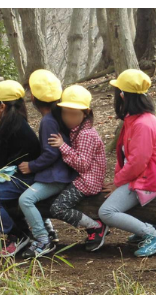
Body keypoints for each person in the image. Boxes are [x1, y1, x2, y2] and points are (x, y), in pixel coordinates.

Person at [0, 80, 42, 258]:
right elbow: (4, 157)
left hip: (25, 178)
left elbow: (2, 158)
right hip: (19, 175)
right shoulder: (14, 122)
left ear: (2, 106)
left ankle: (16, 236)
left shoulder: (12, 126)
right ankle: (22, 232)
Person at [98, 69, 156, 257]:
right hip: (140, 176)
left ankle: (150, 233)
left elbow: (138, 163)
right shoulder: (134, 119)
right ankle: (144, 229)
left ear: (123, 95)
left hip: (147, 180)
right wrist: (118, 180)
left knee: (106, 212)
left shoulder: (143, 124)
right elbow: (125, 156)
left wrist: (118, 183)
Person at [17, 70, 73, 259]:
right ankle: (49, 230)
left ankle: (42, 239)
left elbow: (51, 153)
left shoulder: (48, 121)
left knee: (26, 200)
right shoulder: (59, 115)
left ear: (33, 97)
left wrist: (31, 166)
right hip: (61, 173)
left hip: (57, 177)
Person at [47, 85, 108, 252]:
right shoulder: (76, 130)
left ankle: (95, 226)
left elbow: (82, 164)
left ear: (86, 113)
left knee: (57, 208)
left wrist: (62, 146)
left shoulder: (86, 134)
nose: (68, 118)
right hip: (83, 178)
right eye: (65, 113)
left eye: (74, 114)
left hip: (88, 181)